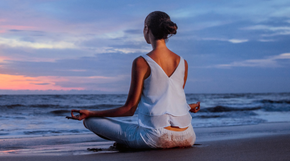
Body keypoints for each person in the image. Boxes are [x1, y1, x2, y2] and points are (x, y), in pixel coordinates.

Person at [70, 11, 201, 150]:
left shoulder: (141, 62)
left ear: (146, 29)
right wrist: (187, 107)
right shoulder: (182, 62)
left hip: (155, 138)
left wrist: (91, 113)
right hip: (188, 136)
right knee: (140, 128)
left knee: (90, 122)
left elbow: (129, 109)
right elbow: (168, 99)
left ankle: (127, 143)